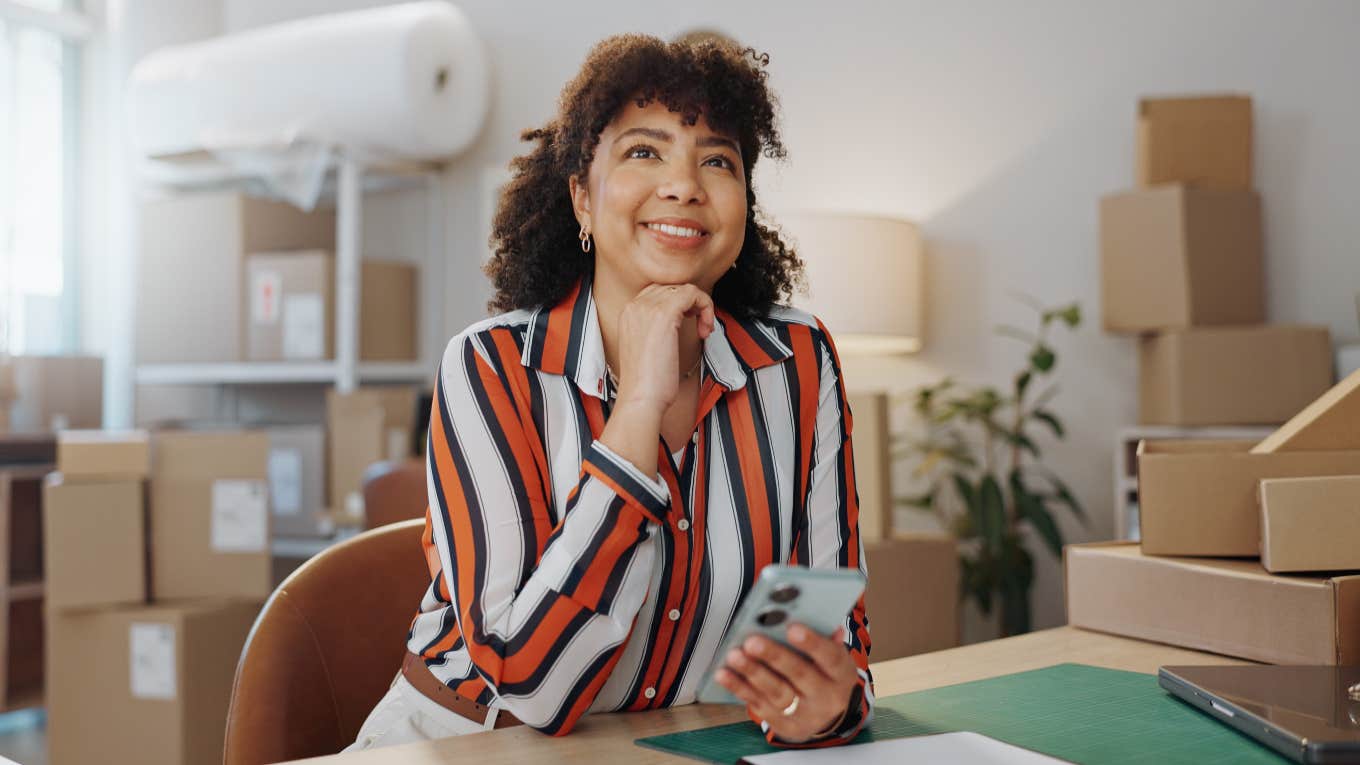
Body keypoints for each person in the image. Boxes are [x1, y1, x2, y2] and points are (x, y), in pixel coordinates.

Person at [347, 33, 872, 752]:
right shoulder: (491, 366)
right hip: (467, 741)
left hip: (672, 743)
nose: (684, 184)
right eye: (643, 151)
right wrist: (636, 411)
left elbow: (835, 623)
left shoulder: (798, 360)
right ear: (582, 201)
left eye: (717, 159)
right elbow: (530, 685)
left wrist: (833, 706)